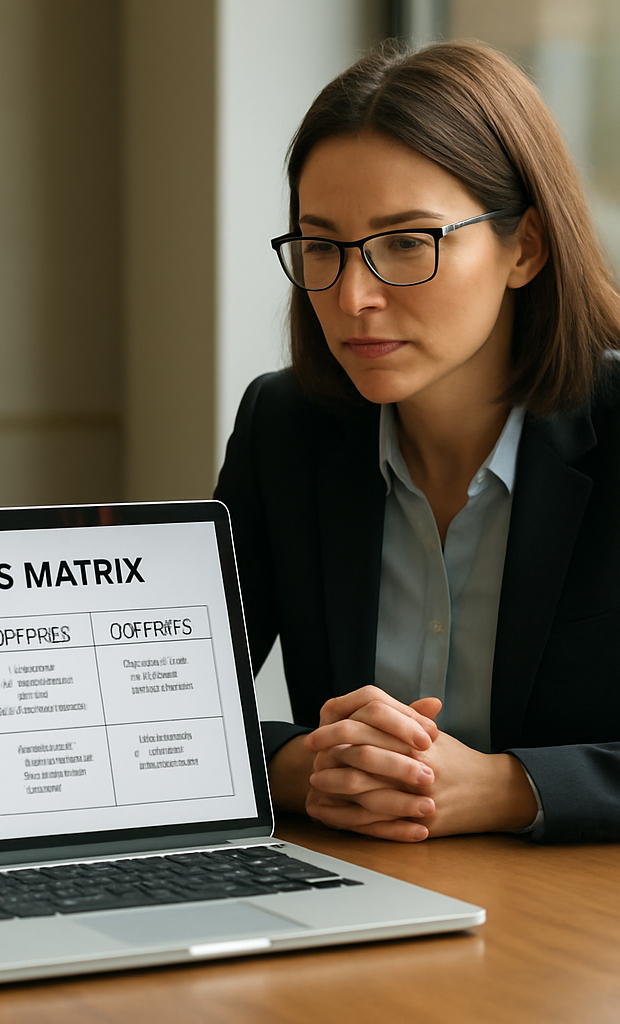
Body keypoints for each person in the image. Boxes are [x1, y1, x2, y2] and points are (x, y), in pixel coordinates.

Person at [214, 40, 620, 844]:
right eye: (322, 246)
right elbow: (160, 713)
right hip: (368, 897)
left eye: (408, 242)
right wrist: (303, 766)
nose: (354, 295)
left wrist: (513, 787)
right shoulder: (286, 429)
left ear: (525, 248)